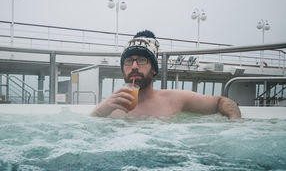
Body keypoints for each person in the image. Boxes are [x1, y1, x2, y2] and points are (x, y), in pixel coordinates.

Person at [90, 30, 241, 119]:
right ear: (123, 68)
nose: (134, 66)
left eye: (142, 60)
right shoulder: (110, 107)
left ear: (154, 69)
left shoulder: (176, 99)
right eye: (129, 61)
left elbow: (222, 101)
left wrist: (235, 125)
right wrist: (100, 111)